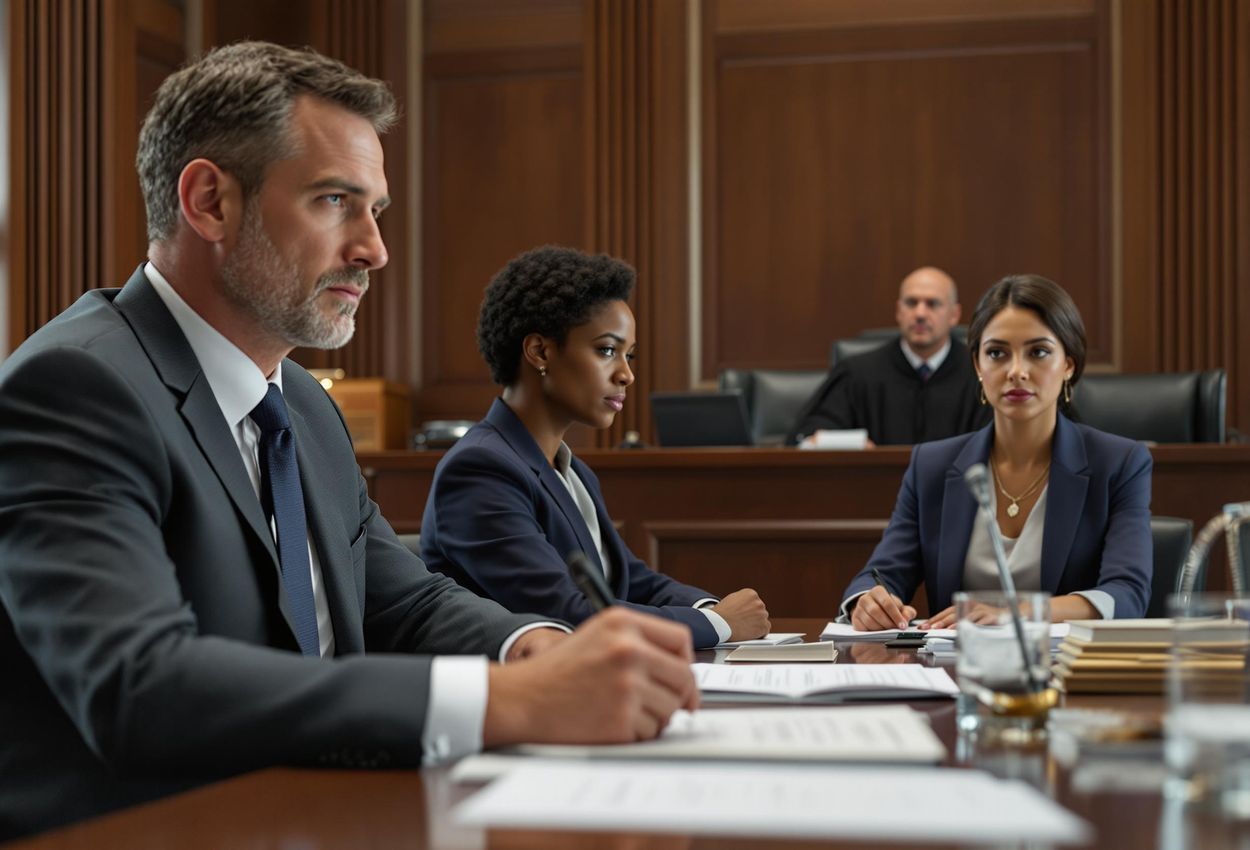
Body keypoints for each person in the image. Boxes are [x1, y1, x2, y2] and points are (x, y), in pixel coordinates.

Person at [0, 43, 698, 840]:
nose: (374, 249)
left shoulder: (303, 403)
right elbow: (139, 685)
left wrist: (532, 647)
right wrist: (505, 701)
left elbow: (405, 601)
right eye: (335, 201)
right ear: (209, 202)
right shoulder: (75, 387)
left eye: (377, 211)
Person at [420, 246, 771, 649]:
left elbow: (630, 580)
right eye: (607, 350)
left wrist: (710, 607)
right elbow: (566, 613)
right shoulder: (480, 469)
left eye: (629, 355)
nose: (627, 375)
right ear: (540, 352)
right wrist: (718, 624)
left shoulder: (573, 471)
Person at [840, 274, 1152, 631]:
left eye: (1038, 352)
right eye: (997, 353)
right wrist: (868, 601)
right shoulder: (932, 465)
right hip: (956, 661)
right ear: (977, 365)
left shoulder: (1119, 463)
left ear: (1069, 364)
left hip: (1066, 662)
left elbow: (1126, 594)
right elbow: (880, 575)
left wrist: (1017, 612)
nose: (1016, 371)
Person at [789, 266, 990, 446]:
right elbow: (807, 436)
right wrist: (853, 445)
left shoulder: (981, 373)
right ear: (898, 311)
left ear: (954, 314)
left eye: (932, 304)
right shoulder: (857, 373)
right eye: (911, 303)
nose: (920, 313)